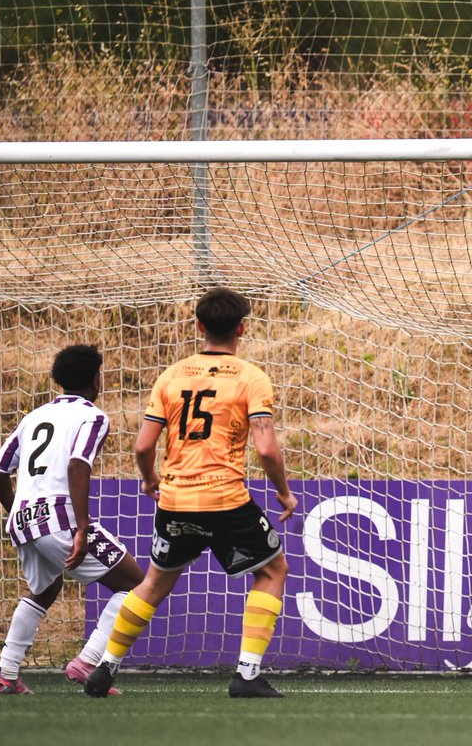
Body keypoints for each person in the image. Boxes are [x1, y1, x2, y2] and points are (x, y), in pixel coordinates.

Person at [85, 287, 298, 698]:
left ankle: (105, 667)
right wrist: (284, 493)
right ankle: (247, 675)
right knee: (273, 571)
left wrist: (149, 480)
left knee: (153, 584)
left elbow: (144, 446)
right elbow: (267, 448)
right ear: (242, 328)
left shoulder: (172, 375)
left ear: (199, 326)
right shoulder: (251, 377)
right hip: (225, 501)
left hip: (176, 500)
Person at [0, 344, 145, 695]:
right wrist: (83, 526)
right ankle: (88, 662)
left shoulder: (34, 417)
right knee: (136, 585)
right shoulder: (93, 416)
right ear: (95, 379)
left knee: (45, 589)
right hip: (59, 519)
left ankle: (5, 674)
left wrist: (16, 510)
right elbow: (78, 464)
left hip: (24, 520)